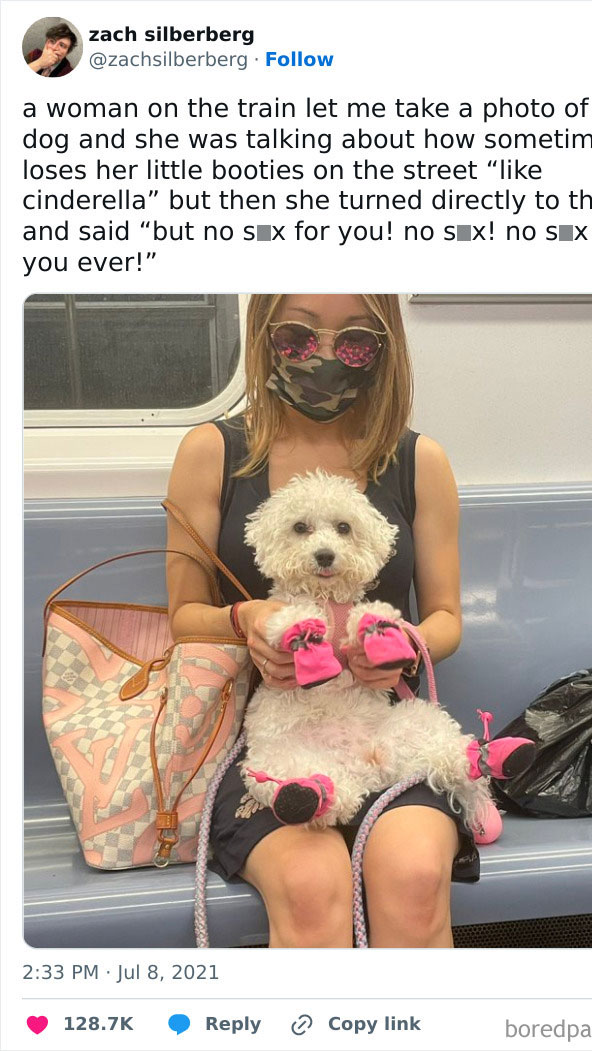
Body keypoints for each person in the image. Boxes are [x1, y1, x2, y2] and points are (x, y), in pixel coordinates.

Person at [166, 294, 477, 947]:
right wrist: (247, 619)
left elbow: (446, 618)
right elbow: (184, 618)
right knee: (312, 889)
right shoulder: (212, 452)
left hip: (380, 731)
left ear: (385, 348)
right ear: (263, 335)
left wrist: (404, 645)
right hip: (266, 741)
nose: (327, 356)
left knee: (416, 878)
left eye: (355, 340)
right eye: (299, 337)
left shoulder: (420, 462)